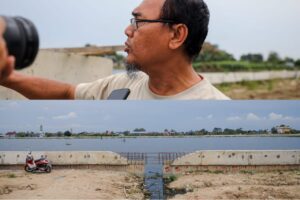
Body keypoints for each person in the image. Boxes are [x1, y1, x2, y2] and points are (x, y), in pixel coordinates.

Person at [0, 0, 230, 100]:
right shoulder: (122, 86)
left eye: (138, 22)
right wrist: (7, 77)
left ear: (176, 35)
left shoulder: (217, 108)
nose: (128, 30)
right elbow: (67, 93)